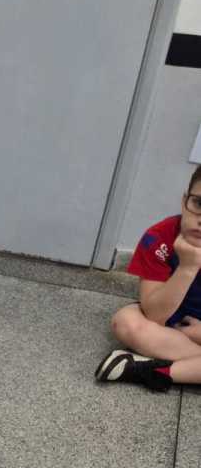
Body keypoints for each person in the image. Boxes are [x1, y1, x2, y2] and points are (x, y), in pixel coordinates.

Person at [96, 164, 201, 392]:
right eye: (199, 204)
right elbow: (154, 314)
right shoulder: (159, 236)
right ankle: (192, 369)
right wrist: (187, 268)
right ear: (185, 201)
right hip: (170, 325)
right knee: (126, 322)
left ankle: (156, 371)